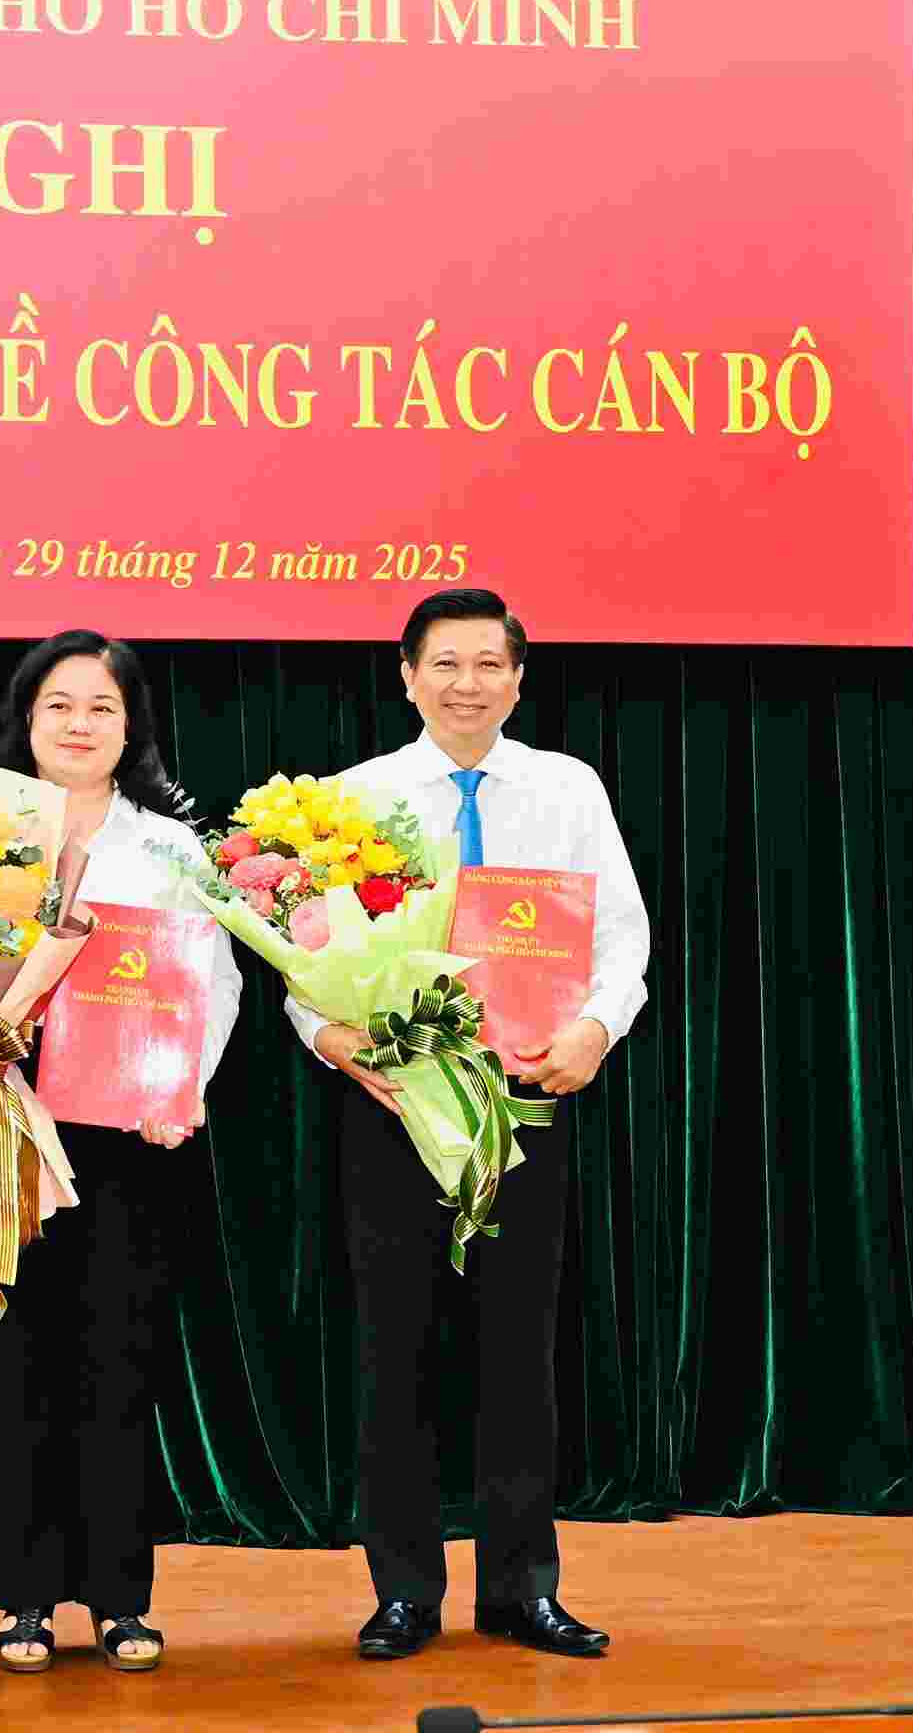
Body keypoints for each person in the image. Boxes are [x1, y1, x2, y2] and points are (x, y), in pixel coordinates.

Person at [290, 587, 649, 1662]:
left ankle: (522, 1589)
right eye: (444, 664)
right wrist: (327, 1037)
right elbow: (303, 953)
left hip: (522, 1100)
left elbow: (622, 937)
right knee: (391, 1351)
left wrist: (592, 1032)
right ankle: (403, 1590)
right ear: (406, 677)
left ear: (518, 680)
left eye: (489, 664)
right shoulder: (354, 798)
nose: (466, 684)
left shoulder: (566, 788)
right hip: (396, 1103)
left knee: (519, 1353)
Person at [0, 630, 242, 1676]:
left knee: (117, 1364)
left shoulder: (171, 848)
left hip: (126, 1131)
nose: (79, 724)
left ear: (132, 726)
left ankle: (121, 1599)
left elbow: (215, 982)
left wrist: (179, 1089)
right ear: (26, 717)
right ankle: (25, 1600)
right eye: (59, 704)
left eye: (102, 706)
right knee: (14, 1365)